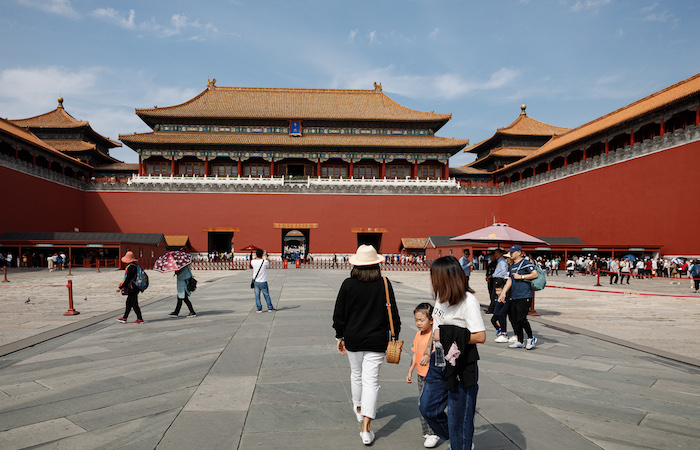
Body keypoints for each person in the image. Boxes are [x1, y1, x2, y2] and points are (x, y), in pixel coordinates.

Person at [333, 244, 401, 446]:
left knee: (356, 375)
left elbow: (339, 313)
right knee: (371, 381)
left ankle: (359, 410)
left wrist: (339, 336)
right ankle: (366, 429)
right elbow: (394, 314)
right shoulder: (384, 284)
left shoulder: (348, 284)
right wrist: (395, 335)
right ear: (376, 264)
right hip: (377, 340)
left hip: (353, 338)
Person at [419, 256, 486, 450]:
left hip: (461, 364)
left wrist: (447, 335)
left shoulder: (468, 301)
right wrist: (429, 347)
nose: (432, 282)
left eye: (435, 277)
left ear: (446, 278)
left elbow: (480, 336)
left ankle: (460, 443)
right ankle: (459, 441)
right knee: (428, 408)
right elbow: (436, 331)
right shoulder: (441, 299)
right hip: (438, 359)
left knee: (459, 418)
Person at [406, 303, 439, 448]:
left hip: (431, 375)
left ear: (431, 320)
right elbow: (415, 353)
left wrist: (429, 355)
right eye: (416, 320)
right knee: (421, 403)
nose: (418, 323)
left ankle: (434, 433)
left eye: (421, 320)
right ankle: (427, 431)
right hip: (420, 374)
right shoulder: (418, 334)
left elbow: (438, 351)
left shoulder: (434, 336)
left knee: (428, 404)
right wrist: (410, 370)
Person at [498, 245, 538, 350]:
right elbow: (510, 280)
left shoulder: (526, 263)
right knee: (514, 319)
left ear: (519, 252)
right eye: (510, 252)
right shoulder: (512, 266)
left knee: (521, 318)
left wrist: (521, 277)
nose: (510, 254)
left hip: (525, 295)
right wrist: (503, 293)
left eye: (512, 252)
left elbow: (534, 274)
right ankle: (520, 340)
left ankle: (530, 338)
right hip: (514, 296)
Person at [116, 251, 144, 324]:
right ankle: (124, 318)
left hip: (133, 288)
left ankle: (140, 318)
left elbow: (127, 279)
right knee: (129, 303)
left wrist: (120, 287)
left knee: (134, 303)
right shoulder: (135, 265)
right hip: (135, 287)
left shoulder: (130, 267)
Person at [490, 278, 510, 343]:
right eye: (496, 291)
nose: (497, 292)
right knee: (493, 320)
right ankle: (499, 329)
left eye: (499, 291)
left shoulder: (503, 298)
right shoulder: (496, 296)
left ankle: (503, 331)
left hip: (500, 313)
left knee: (501, 321)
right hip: (496, 312)